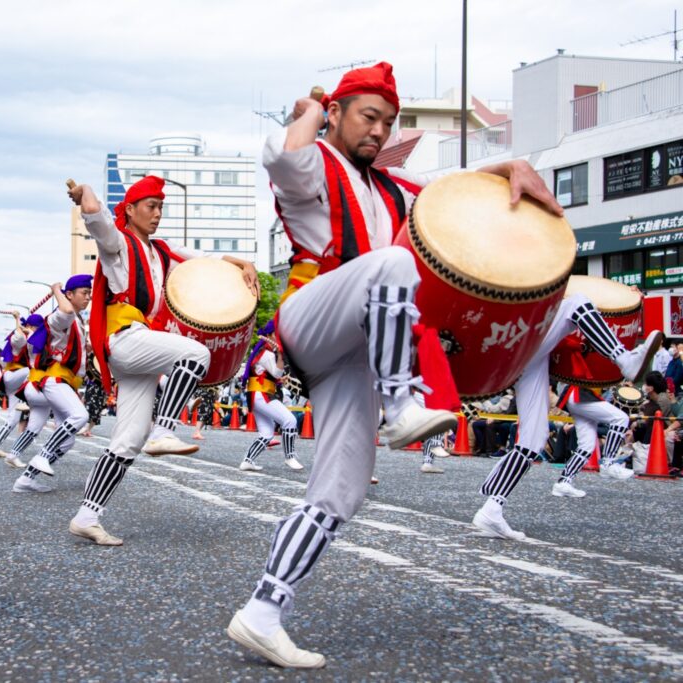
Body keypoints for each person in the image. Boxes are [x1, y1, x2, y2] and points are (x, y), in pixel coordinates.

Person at [225, 62, 566, 669]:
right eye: (368, 117)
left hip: (360, 347)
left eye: (389, 122)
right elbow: (281, 155)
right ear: (336, 113)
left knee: (340, 493)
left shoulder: (394, 188)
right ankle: (405, 401)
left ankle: (262, 612)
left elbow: (451, 190)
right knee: (394, 265)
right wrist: (310, 108)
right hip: (313, 313)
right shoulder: (314, 163)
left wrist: (512, 166)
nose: (380, 132)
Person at [68, 176, 259, 546]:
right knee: (195, 352)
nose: (157, 214)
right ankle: (164, 429)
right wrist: (84, 193)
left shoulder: (163, 251)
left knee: (127, 440)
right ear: (131, 209)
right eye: (151, 206)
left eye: (160, 207)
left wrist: (244, 263)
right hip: (125, 338)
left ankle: (86, 516)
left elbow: (208, 262)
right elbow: (94, 213)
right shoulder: (118, 244)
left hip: (140, 348)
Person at [474, 297, 660, 538]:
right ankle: (624, 359)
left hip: (522, 354)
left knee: (533, 440)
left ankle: (492, 508)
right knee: (576, 304)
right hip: (513, 338)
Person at [12, 277, 92, 493]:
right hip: (54, 381)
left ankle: (26, 479)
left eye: (89, 292)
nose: (88, 296)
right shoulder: (61, 316)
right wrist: (57, 289)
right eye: (83, 292)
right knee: (80, 416)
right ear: (69, 294)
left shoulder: (77, 320)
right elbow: (65, 311)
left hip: (65, 382)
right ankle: (43, 455)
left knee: (67, 442)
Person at [238, 321, 303, 472]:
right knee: (290, 420)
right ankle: (290, 456)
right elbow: (276, 373)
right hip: (261, 394)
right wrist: (280, 354)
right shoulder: (266, 352)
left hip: (258, 394)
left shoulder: (264, 350)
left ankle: (248, 461)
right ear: (269, 335)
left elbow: (273, 375)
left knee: (267, 433)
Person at [0, 313, 43, 460]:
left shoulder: (29, 336)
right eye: (37, 328)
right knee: (33, 370)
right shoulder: (20, 336)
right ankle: (25, 399)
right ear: (29, 326)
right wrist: (18, 320)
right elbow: (18, 339)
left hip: (15, 383)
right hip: (15, 375)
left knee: (13, 418)